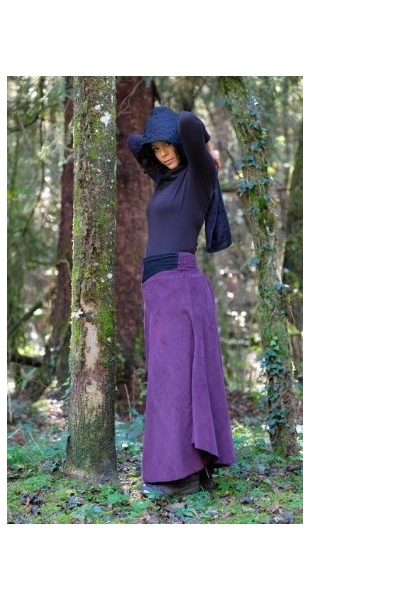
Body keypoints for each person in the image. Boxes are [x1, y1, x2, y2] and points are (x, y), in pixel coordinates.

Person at [127, 106, 236, 497]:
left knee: (177, 381)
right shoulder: (165, 180)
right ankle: (196, 467)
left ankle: (182, 477)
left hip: (180, 285)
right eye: (155, 149)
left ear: (180, 143)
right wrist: (154, 141)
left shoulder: (199, 174)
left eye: (167, 145)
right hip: (158, 290)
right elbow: (132, 143)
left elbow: (188, 121)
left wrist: (205, 147)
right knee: (168, 379)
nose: (162, 154)